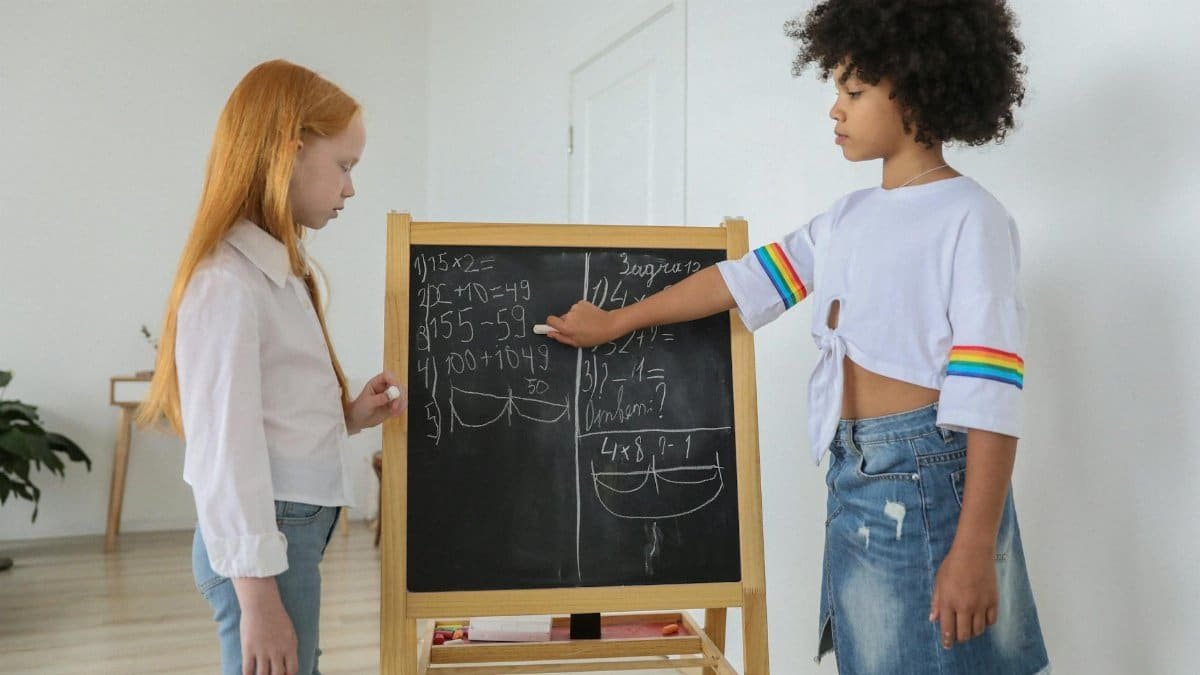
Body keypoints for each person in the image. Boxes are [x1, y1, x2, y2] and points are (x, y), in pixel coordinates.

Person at [544, 1, 1049, 672]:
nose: (834, 109)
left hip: (929, 477)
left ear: (917, 93)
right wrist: (618, 320)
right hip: (855, 473)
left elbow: (990, 392)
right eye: (835, 88)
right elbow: (743, 280)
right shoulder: (845, 218)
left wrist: (975, 544)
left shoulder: (970, 216)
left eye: (854, 91)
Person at [138, 59, 406, 675]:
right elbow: (224, 449)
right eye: (344, 166)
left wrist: (350, 415)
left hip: (287, 532)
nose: (350, 188)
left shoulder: (277, 273)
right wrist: (258, 596)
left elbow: (274, 413)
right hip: (267, 546)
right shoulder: (227, 282)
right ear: (288, 154)